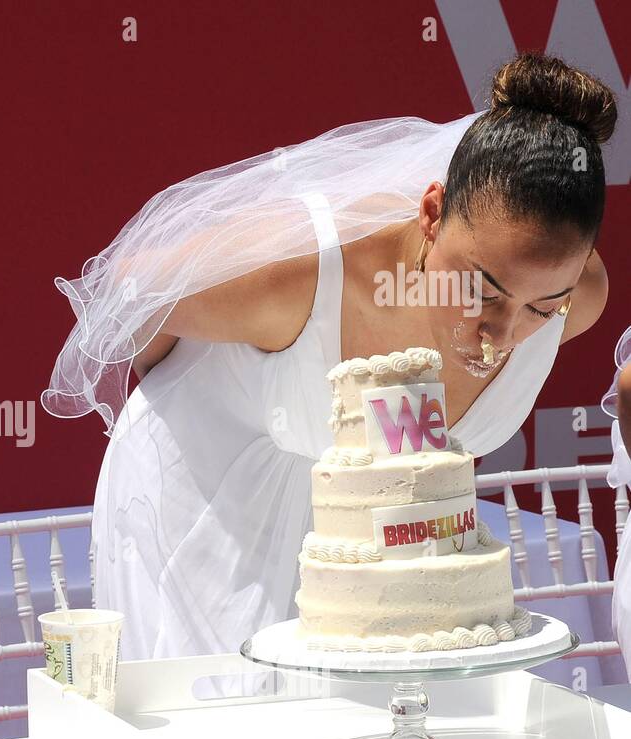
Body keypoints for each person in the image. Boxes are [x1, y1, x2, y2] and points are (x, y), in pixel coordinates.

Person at [43, 51, 613, 662]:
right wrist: (179, 386)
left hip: (357, 550)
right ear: (430, 214)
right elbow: (130, 295)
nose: (499, 336)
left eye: (538, 308)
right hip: (208, 494)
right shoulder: (305, 273)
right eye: (481, 291)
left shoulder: (577, 297)